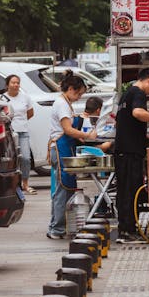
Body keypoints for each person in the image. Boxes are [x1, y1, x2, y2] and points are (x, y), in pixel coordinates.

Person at [113, 67, 149, 243]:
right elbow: (137, 112)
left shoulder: (127, 93)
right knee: (131, 192)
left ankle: (125, 229)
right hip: (130, 152)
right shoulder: (138, 93)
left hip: (123, 150)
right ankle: (128, 232)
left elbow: (125, 120)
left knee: (124, 192)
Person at [47, 72, 96, 240]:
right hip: (60, 149)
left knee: (65, 188)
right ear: (70, 89)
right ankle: (56, 228)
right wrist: (88, 136)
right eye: (78, 93)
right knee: (63, 189)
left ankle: (59, 226)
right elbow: (67, 129)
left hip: (64, 148)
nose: (79, 97)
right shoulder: (61, 104)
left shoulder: (65, 103)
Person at [3, 75, 37, 197]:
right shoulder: (3, 98)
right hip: (10, 133)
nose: (16, 85)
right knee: (13, 160)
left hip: (23, 132)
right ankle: (14, 185)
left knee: (26, 158)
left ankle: (25, 183)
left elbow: (30, 113)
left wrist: (21, 122)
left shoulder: (25, 97)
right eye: (13, 83)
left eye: (18, 83)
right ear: (7, 85)